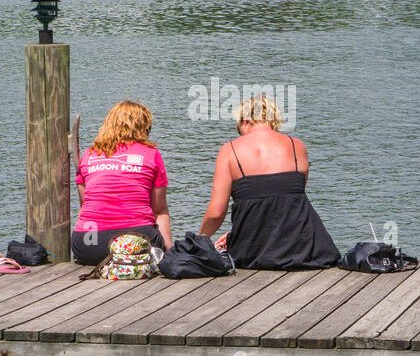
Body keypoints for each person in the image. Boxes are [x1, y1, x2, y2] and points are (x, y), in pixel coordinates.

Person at [198, 94, 338, 270]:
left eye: (238, 128)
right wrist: (238, 232)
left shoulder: (229, 150)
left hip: (253, 254)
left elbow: (216, 213)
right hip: (308, 250)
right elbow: (286, 205)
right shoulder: (298, 146)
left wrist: (198, 241)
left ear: (246, 119)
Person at [73, 100, 171, 265]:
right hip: (137, 243)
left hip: (88, 245)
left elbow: (85, 202)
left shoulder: (89, 154)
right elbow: (158, 208)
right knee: (162, 210)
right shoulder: (151, 153)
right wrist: (168, 249)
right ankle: (168, 252)